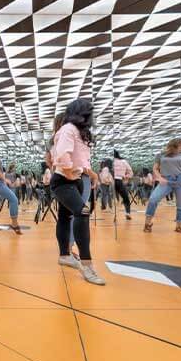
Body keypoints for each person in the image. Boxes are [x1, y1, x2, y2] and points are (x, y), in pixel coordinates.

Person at [51, 99, 104, 285]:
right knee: (82, 211)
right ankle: (87, 264)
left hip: (77, 180)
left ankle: (65, 255)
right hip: (63, 182)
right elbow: (61, 155)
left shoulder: (82, 133)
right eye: (89, 112)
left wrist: (90, 173)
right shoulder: (68, 129)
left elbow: (82, 159)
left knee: (65, 216)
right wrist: (68, 171)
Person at [144, 138, 181, 234]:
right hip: (166, 180)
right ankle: (147, 223)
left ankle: (178, 226)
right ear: (175, 145)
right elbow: (155, 169)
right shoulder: (161, 155)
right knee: (153, 199)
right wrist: (160, 178)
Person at [113, 150, 133, 220]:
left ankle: (114, 215)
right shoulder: (123, 161)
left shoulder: (110, 161)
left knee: (111, 198)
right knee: (126, 198)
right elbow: (131, 172)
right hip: (119, 181)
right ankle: (128, 213)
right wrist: (126, 176)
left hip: (111, 181)